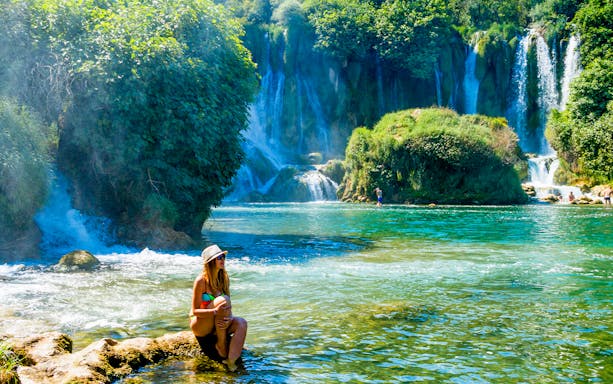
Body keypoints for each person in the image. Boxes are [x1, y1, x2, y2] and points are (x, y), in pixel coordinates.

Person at [190, 244, 247, 371]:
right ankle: (221, 344)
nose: (223, 260)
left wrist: (229, 318)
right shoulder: (201, 281)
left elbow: (227, 307)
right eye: (219, 257)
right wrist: (215, 311)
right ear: (210, 262)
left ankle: (231, 362)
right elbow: (195, 311)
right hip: (201, 324)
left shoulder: (224, 279)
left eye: (223, 257)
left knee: (242, 323)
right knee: (223, 300)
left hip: (217, 323)